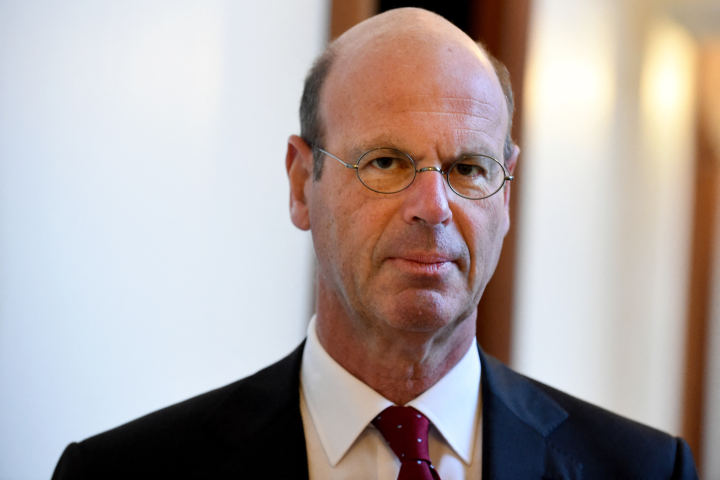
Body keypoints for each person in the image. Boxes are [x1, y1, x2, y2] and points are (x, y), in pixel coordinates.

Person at [52, 7, 699, 480]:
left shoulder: (641, 470)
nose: (433, 208)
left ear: (506, 194)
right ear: (303, 184)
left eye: (468, 169)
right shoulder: (125, 473)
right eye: (385, 163)